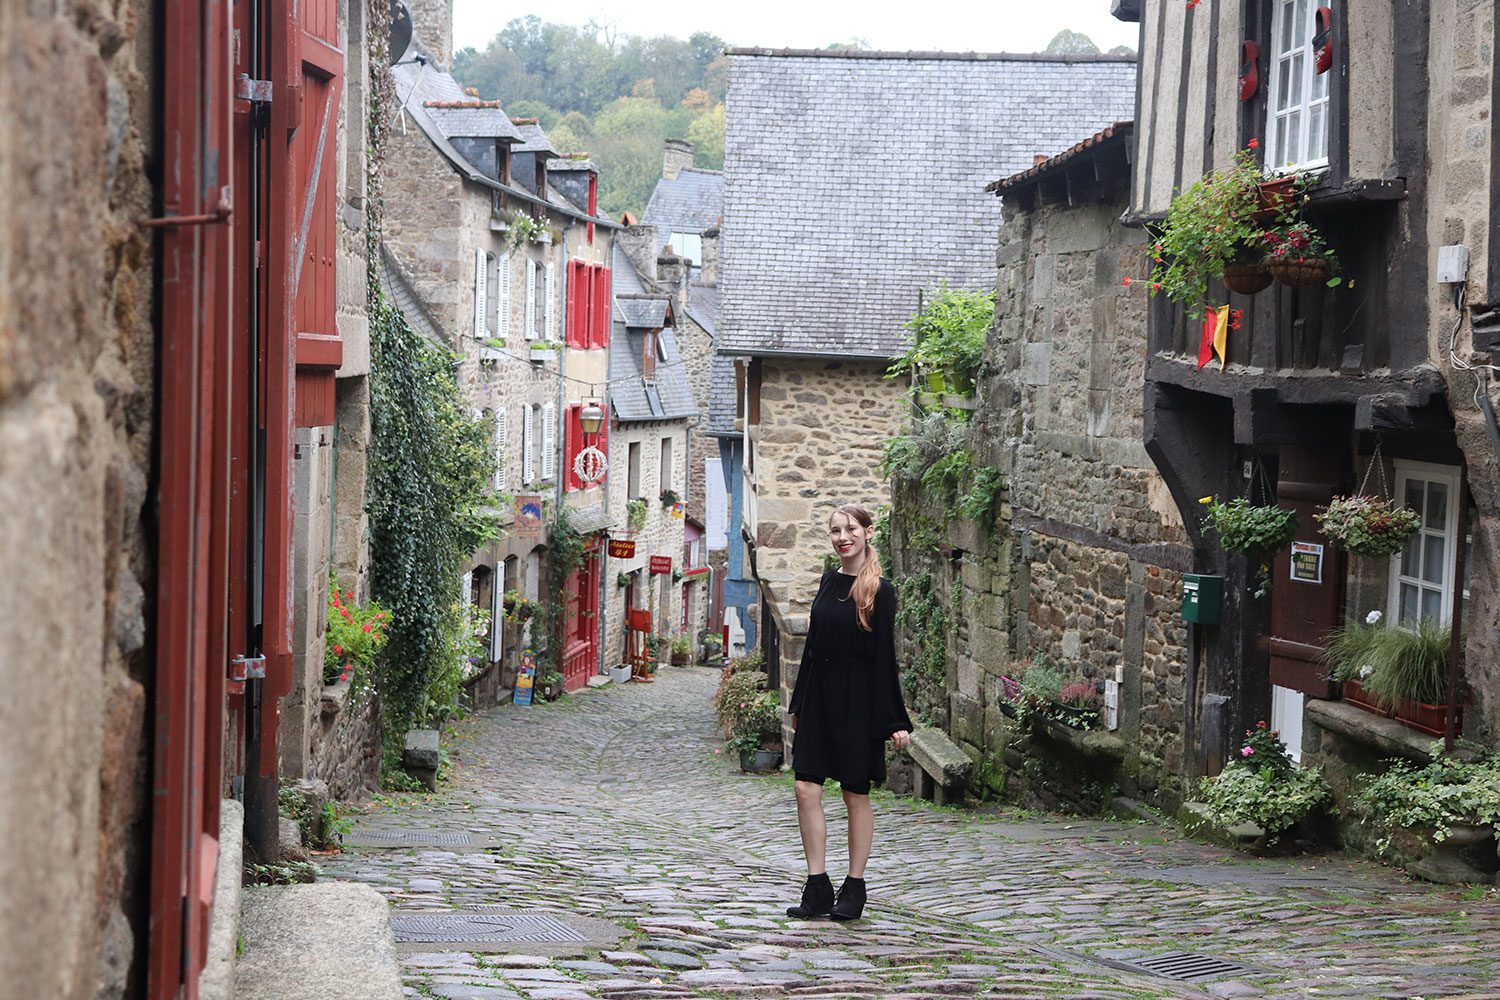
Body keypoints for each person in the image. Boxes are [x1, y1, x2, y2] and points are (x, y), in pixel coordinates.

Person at [785, 503, 913, 921]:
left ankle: (854, 886)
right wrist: (799, 703)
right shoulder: (827, 582)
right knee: (806, 788)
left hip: (858, 703)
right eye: (836, 530)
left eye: (851, 529)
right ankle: (817, 884)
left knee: (854, 794)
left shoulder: (881, 589)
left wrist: (894, 719)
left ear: (868, 532)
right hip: (819, 699)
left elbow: (883, 658)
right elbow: (813, 647)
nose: (843, 537)